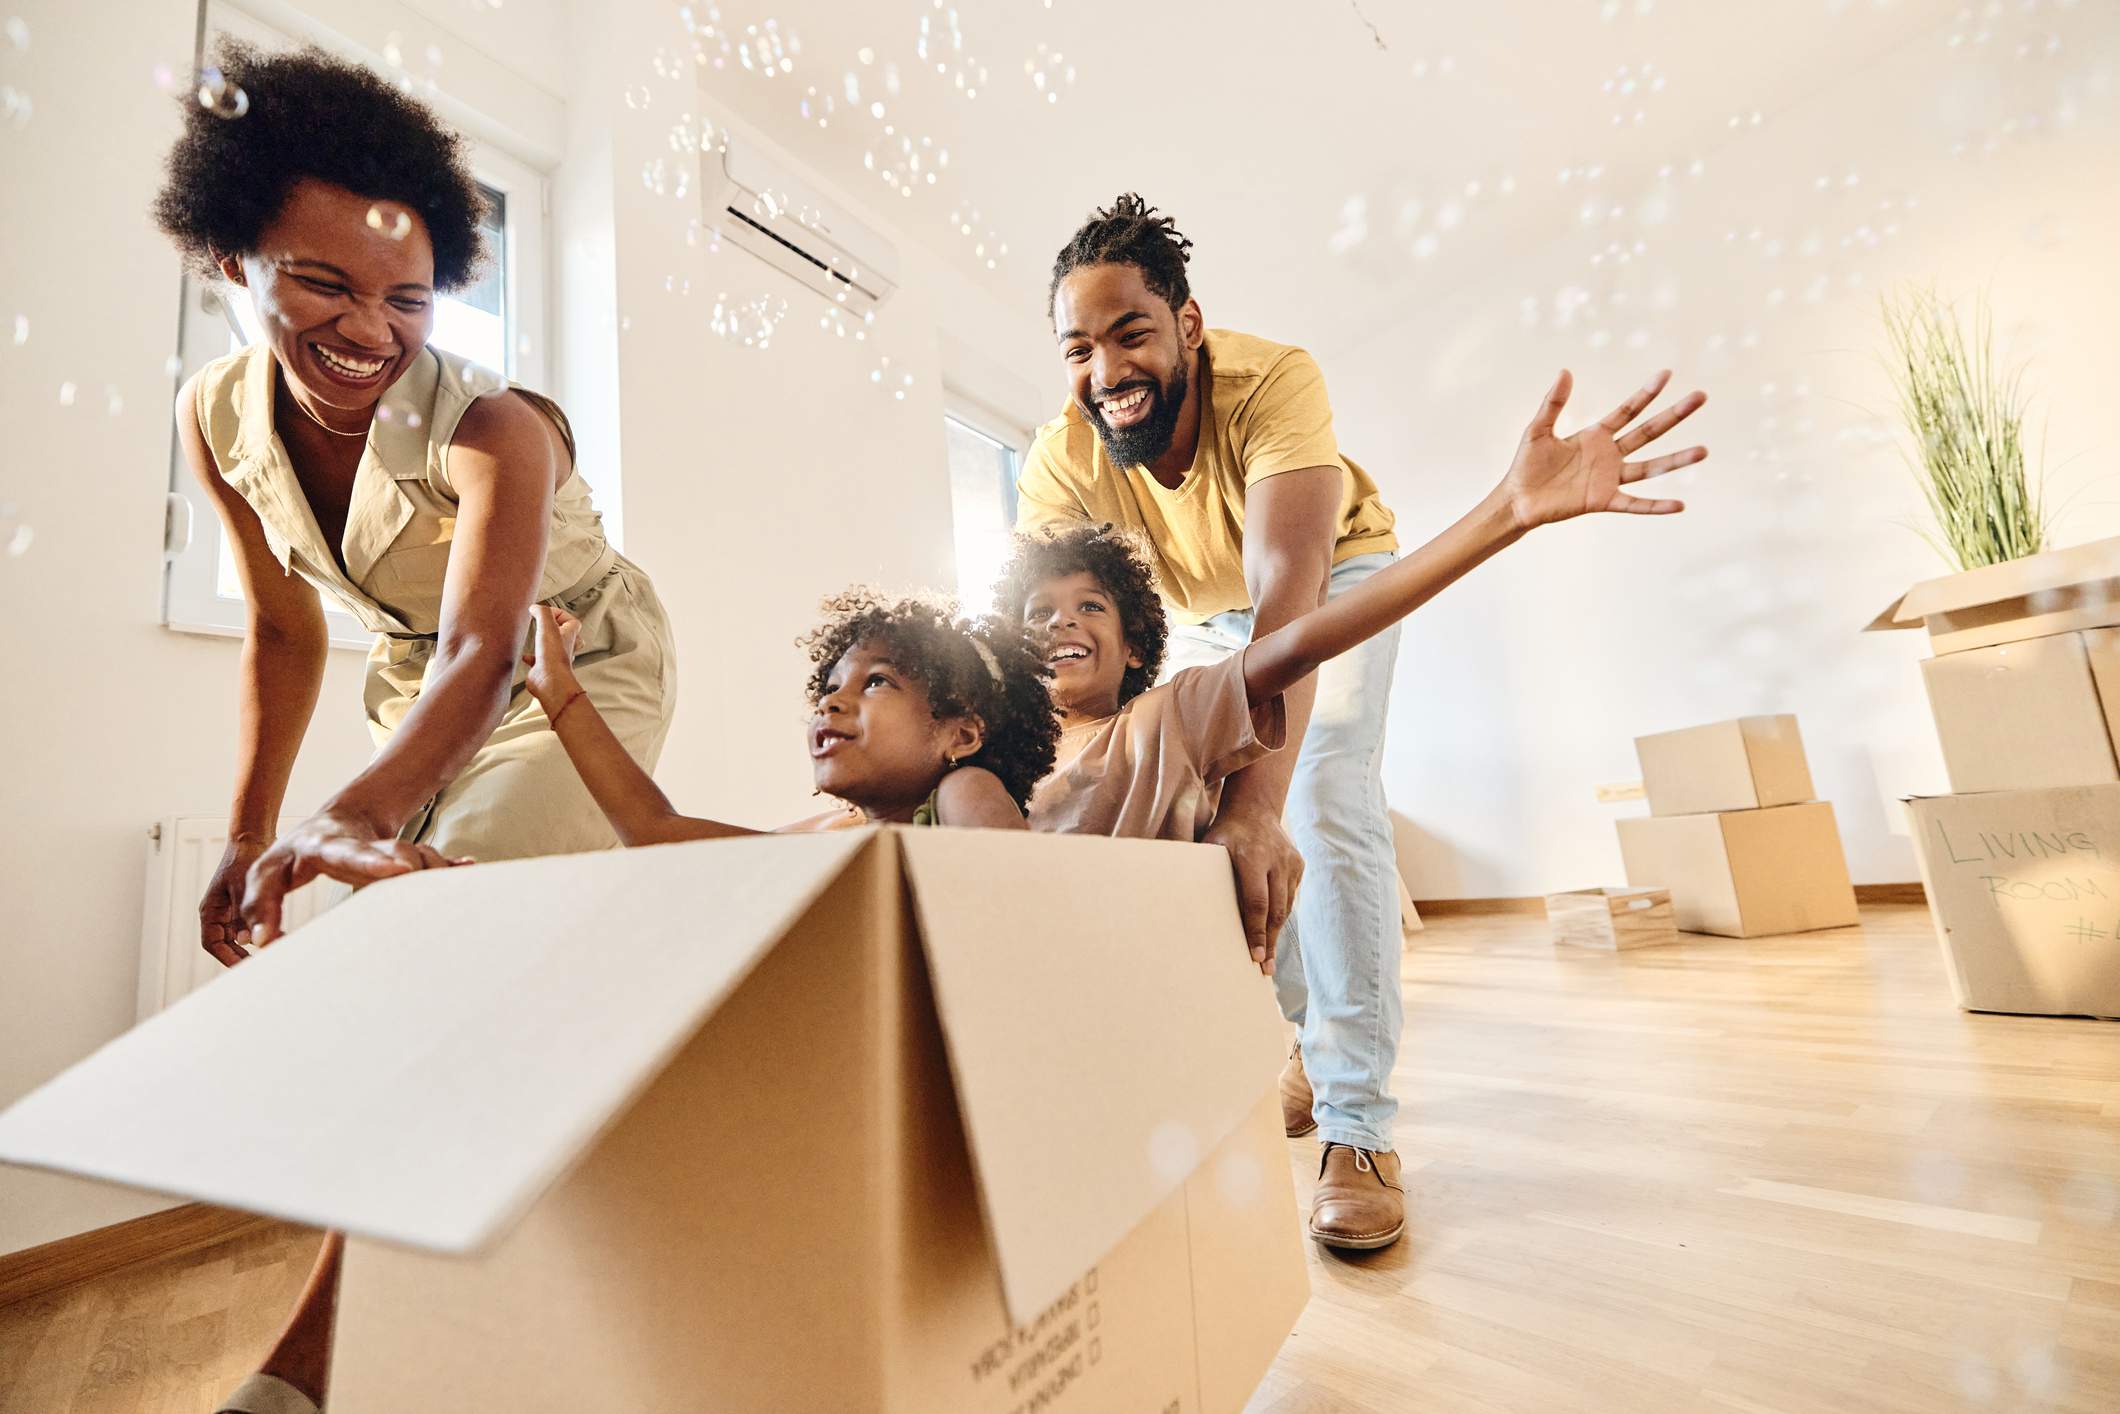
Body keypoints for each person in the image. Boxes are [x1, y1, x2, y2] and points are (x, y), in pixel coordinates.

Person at [1016, 192, 1705, 1250]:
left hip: (1330, 573)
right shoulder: (1060, 455)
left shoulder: (1271, 379)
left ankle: (1357, 1124)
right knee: (1199, 818)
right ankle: (1303, 1041)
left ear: (1187, 327)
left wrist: (1258, 800)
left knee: (1319, 784)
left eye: (1130, 333)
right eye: (1078, 347)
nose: (1105, 369)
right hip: (1200, 614)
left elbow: (1287, 594)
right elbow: (1049, 637)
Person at [154, 42, 675, 1414]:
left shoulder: (496, 428)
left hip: (572, 672)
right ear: (232, 259)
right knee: (451, 984)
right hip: (420, 688)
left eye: (404, 295)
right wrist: (255, 829)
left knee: (445, 959)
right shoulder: (217, 420)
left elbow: (485, 647)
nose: (366, 329)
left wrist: (358, 809)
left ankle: (306, 1363)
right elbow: (283, 631)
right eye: (318, 278)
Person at [523, 590, 1057, 838]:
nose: (831, 702)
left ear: (960, 735)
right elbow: (653, 829)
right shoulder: (833, 835)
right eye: (829, 687)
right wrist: (557, 689)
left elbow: (1016, 901)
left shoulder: (964, 792)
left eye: (877, 682)